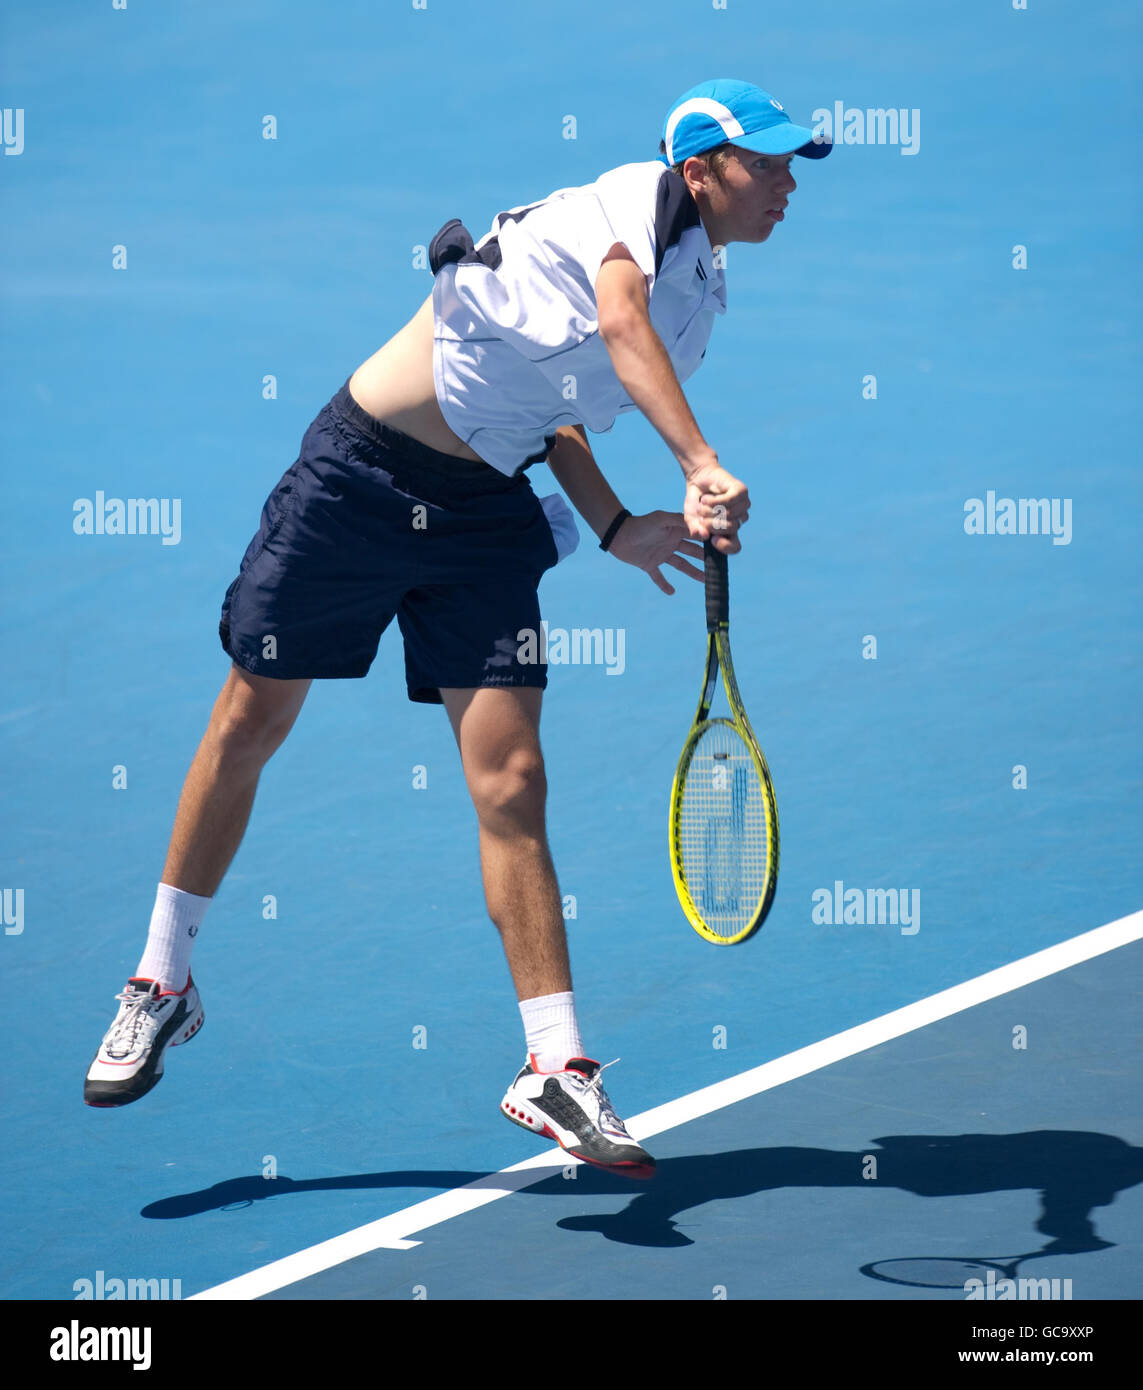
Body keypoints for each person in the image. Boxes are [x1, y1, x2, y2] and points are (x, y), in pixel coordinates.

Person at [84, 78, 830, 1181]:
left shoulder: (698, 298)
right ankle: (161, 982)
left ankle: (555, 1065)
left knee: (513, 782)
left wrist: (615, 520)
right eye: (766, 161)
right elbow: (613, 322)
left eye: (790, 163)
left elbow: (560, 400)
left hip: (482, 515)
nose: (786, 183)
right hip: (360, 477)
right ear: (696, 170)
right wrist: (698, 463)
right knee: (249, 717)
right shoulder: (621, 205)